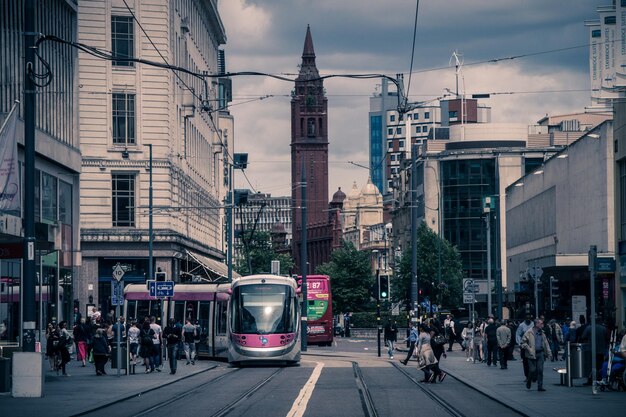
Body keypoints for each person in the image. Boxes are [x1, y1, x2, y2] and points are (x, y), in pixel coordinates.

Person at [520, 318, 552, 391]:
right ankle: (529, 380)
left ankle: (540, 386)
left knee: (540, 370)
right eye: (541, 323)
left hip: (540, 353)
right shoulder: (529, 332)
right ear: (536, 324)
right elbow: (522, 343)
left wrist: (549, 353)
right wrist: (529, 348)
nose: (542, 325)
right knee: (532, 370)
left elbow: (546, 343)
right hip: (531, 354)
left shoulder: (542, 333)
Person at [581, 318, 608, 385]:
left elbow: (583, 336)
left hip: (591, 350)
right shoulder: (604, 328)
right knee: (600, 365)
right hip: (601, 350)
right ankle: (599, 378)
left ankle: (591, 380)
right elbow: (607, 338)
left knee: (591, 366)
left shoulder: (589, 328)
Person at [516, 314, 534, 381]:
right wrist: (520, 343)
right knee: (525, 362)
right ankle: (527, 376)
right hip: (524, 346)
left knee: (533, 361)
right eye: (527, 318)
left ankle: (533, 375)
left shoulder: (533, 324)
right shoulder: (521, 325)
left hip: (532, 345)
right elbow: (518, 334)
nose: (528, 319)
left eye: (529, 318)